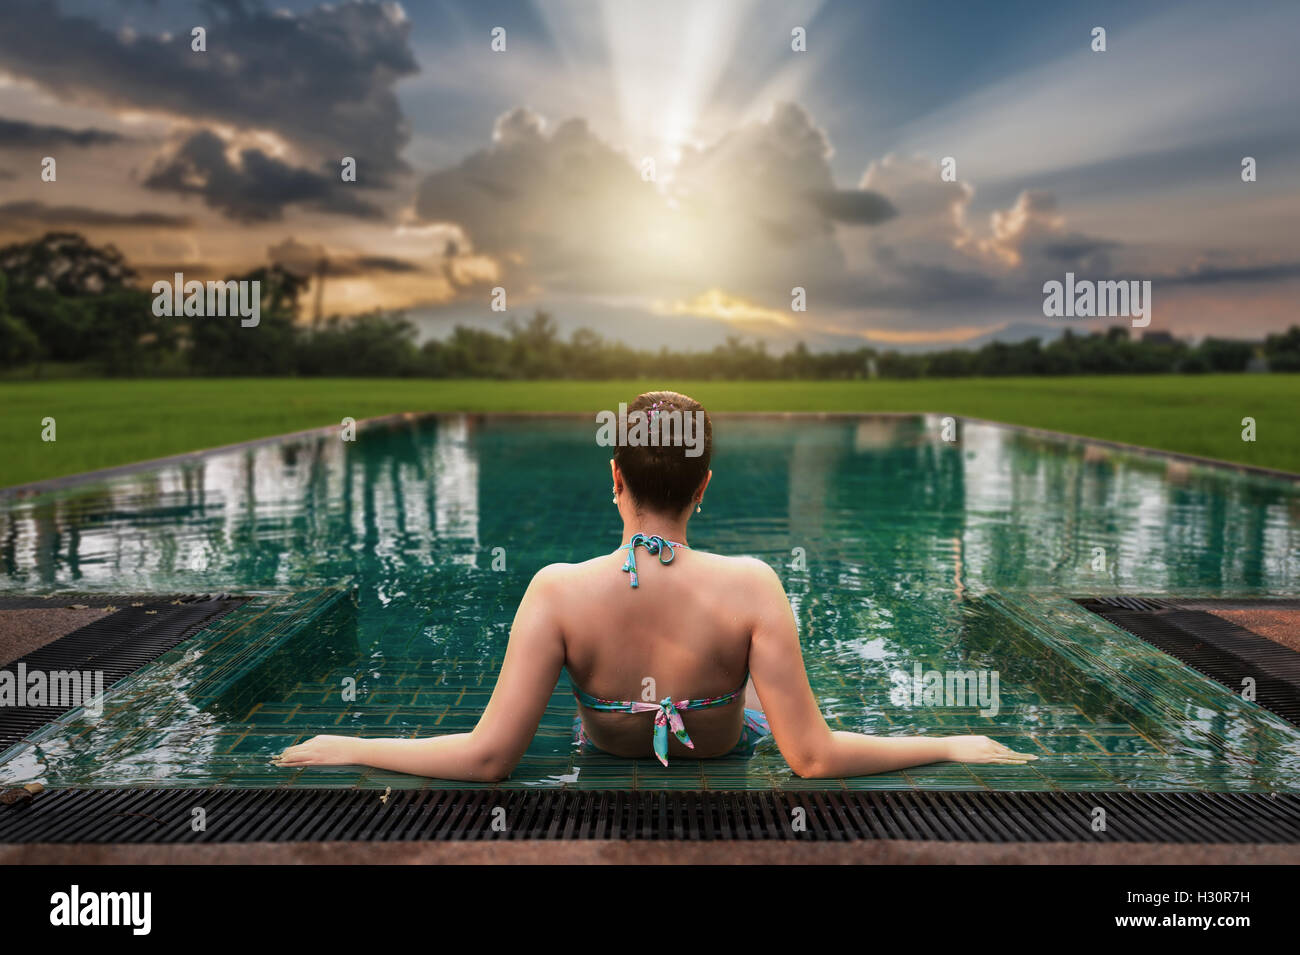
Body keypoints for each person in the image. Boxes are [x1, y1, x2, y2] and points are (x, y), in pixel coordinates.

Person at [274, 391, 1036, 779]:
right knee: (758, 693)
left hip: (611, 743)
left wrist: (354, 742)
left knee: (642, 694)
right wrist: (948, 741)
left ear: (615, 478)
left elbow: (486, 758)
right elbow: (815, 757)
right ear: (703, 486)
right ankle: (730, 686)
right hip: (722, 741)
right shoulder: (753, 585)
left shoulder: (556, 590)